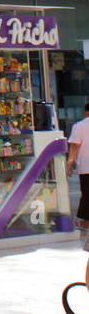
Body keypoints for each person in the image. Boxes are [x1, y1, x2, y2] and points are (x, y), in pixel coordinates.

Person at [67, 102, 89, 265]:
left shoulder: (80, 125)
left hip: (86, 166)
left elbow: (75, 145)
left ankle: (84, 222)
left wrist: (70, 162)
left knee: (87, 194)